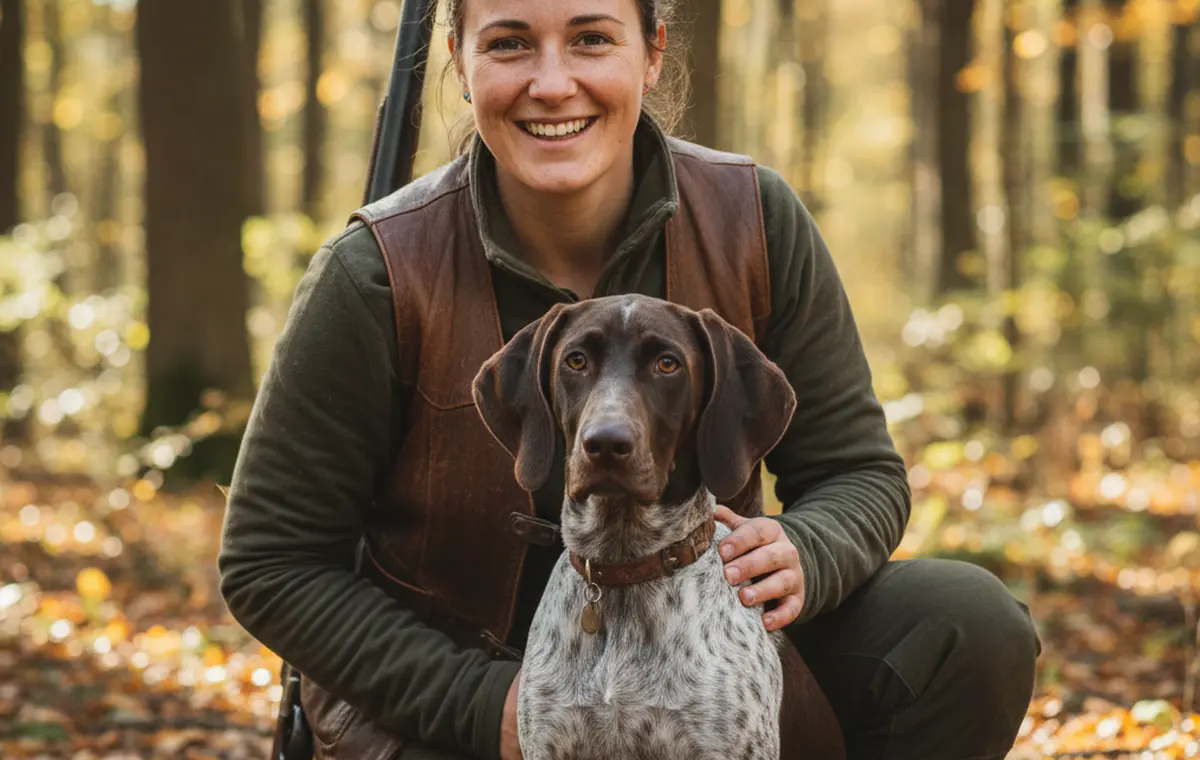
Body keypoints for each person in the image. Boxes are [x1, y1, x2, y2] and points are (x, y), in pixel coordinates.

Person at [218, 0, 1041, 758]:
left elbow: (859, 473)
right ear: (461, 65)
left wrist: (806, 550)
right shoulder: (377, 273)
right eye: (508, 44)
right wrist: (481, 704)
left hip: (704, 657)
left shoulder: (754, 218)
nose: (551, 83)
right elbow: (271, 561)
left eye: (591, 38)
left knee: (965, 624)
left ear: (652, 52)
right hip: (453, 692)